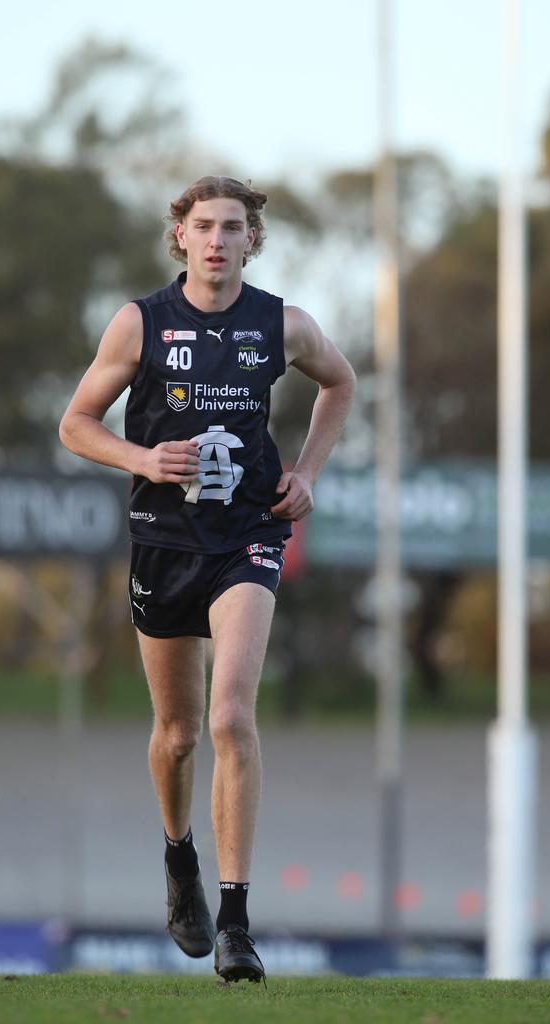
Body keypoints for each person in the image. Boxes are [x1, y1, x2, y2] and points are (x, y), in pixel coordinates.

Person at [59, 175, 355, 983]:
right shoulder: (141, 323)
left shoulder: (282, 325)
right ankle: (178, 855)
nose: (219, 239)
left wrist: (308, 471)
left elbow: (341, 382)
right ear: (180, 237)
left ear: (252, 240)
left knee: (231, 719)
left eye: (234, 227)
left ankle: (235, 923)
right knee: (180, 735)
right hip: (163, 540)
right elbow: (75, 422)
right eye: (205, 226)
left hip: (248, 537)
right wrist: (143, 458)